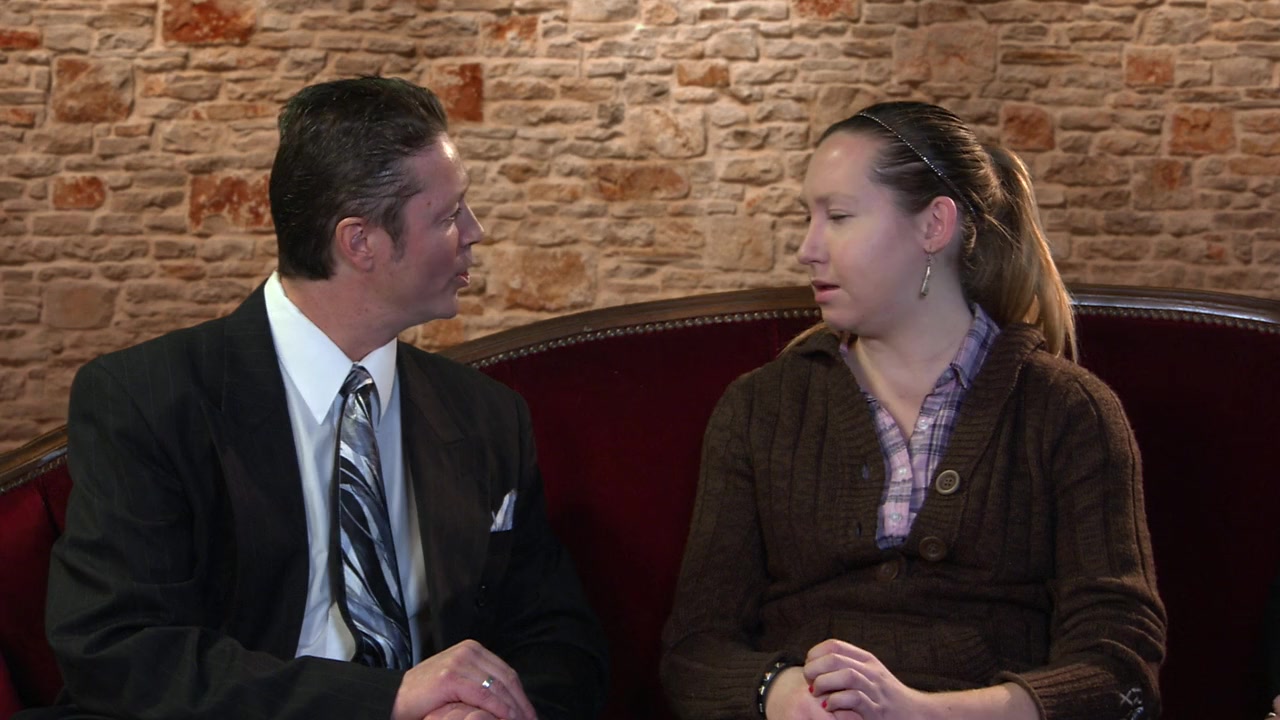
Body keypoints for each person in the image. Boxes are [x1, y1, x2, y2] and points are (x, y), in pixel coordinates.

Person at [33, 77, 607, 720]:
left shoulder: (488, 415)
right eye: (448, 216)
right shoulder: (148, 400)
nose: (475, 231)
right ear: (359, 242)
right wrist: (384, 700)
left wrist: (484, 711)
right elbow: (118, 652)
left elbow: (560, 639)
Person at [660, 101, 1166, 720]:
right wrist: (780, 693)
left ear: (934, 226)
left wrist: (922, 712)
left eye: (838, 217)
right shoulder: (759, 408)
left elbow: (1121, 672)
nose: (807, 249)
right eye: (807, 217)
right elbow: (694, 651)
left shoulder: (1068, 411)